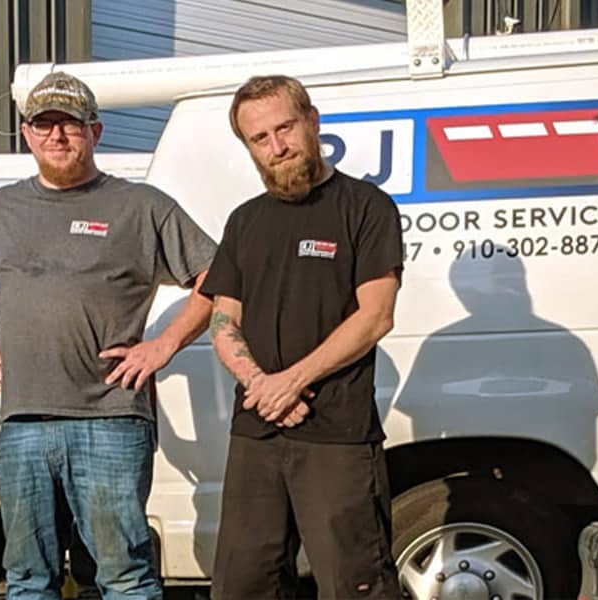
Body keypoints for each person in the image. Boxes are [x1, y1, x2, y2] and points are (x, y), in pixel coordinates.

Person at [0, 71, 217, 599]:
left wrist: (162, 346)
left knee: (124, 577)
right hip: (23, 423)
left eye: (70, 124)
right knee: (29, 580)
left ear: (95, 132)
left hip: (112, 421)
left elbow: (218, 279)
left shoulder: (140, 206)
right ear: (27, 133)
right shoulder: (2, 208)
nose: (57, 135)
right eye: (43, 123)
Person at [201, 75, 405, 599]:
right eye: (260, 138)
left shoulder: (365, 207)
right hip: (257, 434)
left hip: (336, 435)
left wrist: (291, 382)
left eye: (285, 128)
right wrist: (259, 384)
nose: (277, 147)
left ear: (312, 122)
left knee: (354, 584)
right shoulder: (245, 221)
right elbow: (223, 321)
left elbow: (375, 316)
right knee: (243, 586)